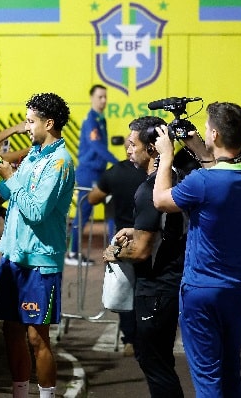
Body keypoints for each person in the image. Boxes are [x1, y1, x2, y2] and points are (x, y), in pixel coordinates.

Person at [153, 102, 241, 397]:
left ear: (215, 134)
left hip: (201, 290)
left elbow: (161, 201)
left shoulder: (202, 181)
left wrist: (166, 156)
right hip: (237, 289)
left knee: (208, 379)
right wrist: (199, 148)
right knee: (230, 372)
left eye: (206, 129)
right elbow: (224, 172)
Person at [0, 93, 75, 398]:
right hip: (13, 257)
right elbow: (10, 192)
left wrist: (9, 178)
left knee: (37, 338)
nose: (26, 126)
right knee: (10, 331)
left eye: (31, 121)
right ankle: (20, 393)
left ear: (48, 123)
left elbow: (37, 211)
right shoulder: (34, 154)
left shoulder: (60, 161)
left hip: (40, 262)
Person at [101, 116, 186, 397]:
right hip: (170, 285)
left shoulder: (150, 189)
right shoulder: (174, 178)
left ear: (151, 149)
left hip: (157, 289)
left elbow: (141, 249)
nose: (127, 150)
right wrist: (135, 230)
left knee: (154, 362)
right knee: (161, 361)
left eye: (132, 144)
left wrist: (113, 252)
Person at [87, 146, 146, 357]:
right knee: (147, 289)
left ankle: (130, 339)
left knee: (125, 290)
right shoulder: (156, 172)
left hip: (123, 239)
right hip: (151, 237)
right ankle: (147, 338)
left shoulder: (115, 173)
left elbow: (93, 198)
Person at [69, 84, 118, 266]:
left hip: (99, 172)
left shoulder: (100, 119)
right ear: (92, 98)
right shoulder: (91, 120)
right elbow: (98, 147)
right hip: (88, 173)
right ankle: (73, 253)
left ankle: (114, 251)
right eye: (100, 97)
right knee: (83, 214)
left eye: (105, 97)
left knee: (112, 206)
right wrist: (117, 162)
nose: (103, 100)